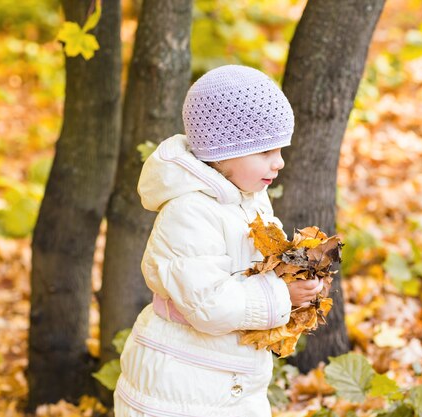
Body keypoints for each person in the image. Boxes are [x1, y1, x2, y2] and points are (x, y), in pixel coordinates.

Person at [114, 65, 324, 417]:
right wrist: (280, 294)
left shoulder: (249, 197)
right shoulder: (189, 212)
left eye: (280, 149)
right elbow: (207, 305)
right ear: (222, 152)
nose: (280, 162)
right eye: (265, 152)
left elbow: (255, 269)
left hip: (226, 380)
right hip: (181, 383)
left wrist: (294, 278)